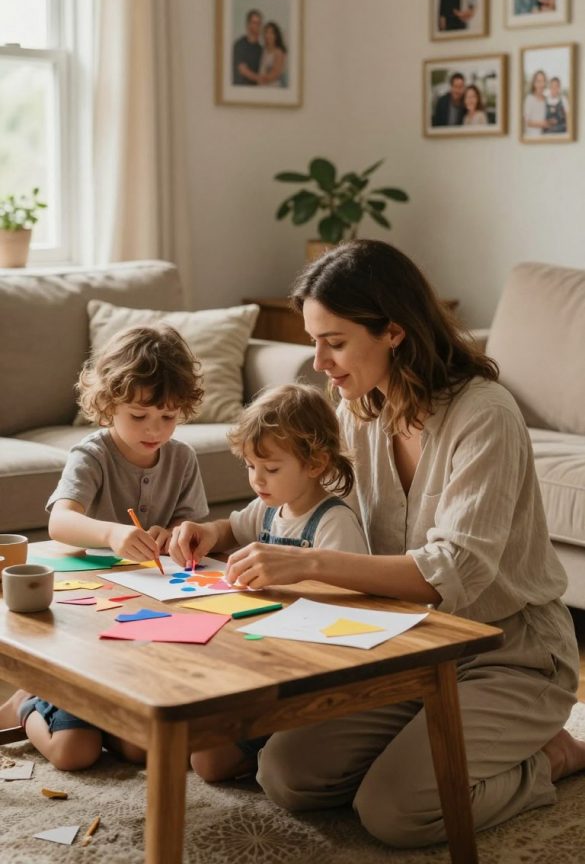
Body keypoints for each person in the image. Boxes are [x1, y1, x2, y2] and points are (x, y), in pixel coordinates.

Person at [221, 239, 585, 850]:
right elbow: (309, 489)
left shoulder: (485, 415)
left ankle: (554, 756)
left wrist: (311, 561)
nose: (318, 362)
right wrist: (217, 529)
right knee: (286, 774)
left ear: (393, 331)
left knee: (396, 812)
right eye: (315, 340)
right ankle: (425, 752)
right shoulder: (357, 407)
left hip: (508, 651)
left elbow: (456, 567)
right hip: (414, 650)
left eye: (334, 342)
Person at [0, 324, 208, 771]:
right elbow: (60, 521)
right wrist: (113, 534)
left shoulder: (182, 458)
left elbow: (188, 524)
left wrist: (174, 533)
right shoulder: (91, 454)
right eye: (138, 416)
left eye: (168, 417)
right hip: (87, 619)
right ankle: (25, 703)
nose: (155, 430)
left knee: (142, 749)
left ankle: (93, 712)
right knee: (77, 753)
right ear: (108, 405)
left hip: (146, 612)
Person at [169, 382, 367, 781]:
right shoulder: (268, 508)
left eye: (271, 469)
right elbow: (230, 528)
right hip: (265, 661)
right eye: (250, 466)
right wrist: (205, 532)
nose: (257, 480)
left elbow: (354, 609)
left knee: (207, 762)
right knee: (189, 735)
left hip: (309, 676)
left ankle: (268, 752)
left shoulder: (333, 522)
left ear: (315, 464)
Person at [232, 8, 263, 85]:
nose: (257, 26)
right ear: (248, 25)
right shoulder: (239, 45)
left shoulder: (261, 49)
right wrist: (262, 79)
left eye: (259, 23)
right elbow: (243, 70)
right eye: (254, 23)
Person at [258, 21, 288, 86]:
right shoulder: (263, 50)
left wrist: (255, 77)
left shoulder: (278, 52)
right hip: (262, 86)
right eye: (266, 32)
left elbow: (274, 75)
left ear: (276, 36)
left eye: (271, 33)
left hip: (273, 87)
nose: (268, 35)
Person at [523, 69, 548, 136]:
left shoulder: (546, 100)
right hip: (532, 138)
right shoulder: (529, 99)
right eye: (538, 81)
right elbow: (526, 121)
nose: (541, 84)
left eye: (543, 81)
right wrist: (542, 124)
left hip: (545, 138)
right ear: (534, 83)